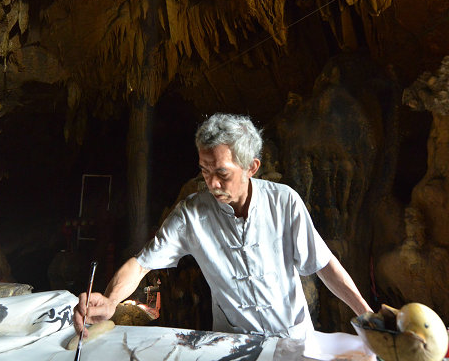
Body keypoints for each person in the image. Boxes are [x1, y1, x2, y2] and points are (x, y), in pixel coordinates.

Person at [74, 113, 372, 339]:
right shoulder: (192, 214)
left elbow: (324, 264)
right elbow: (140, 265)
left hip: (292, 340)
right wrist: (111, 301)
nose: (212, 183)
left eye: (222, 173)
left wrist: (366, 316)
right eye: (204, 170)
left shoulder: (284, 203)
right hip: (232, 343)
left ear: (251, 167)